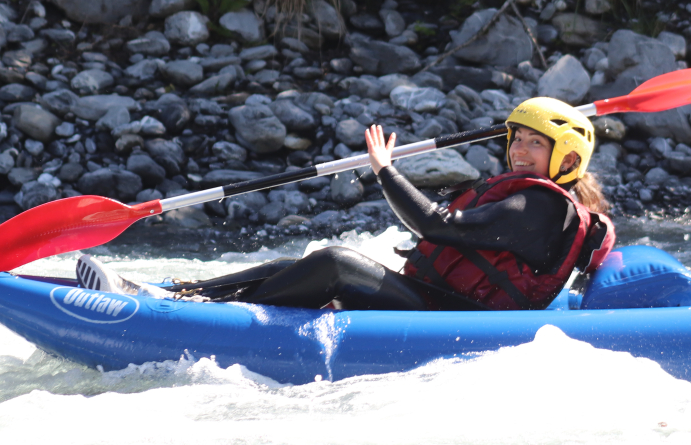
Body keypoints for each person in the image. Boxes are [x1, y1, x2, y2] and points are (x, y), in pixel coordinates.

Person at [76, 97, 615, 311]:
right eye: (516, 139)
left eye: (534, 143)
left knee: (335, 262)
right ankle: (170, 292)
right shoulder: (530, 199)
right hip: (441, 299)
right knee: (297, 265)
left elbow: (436, 224)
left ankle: (175, 311)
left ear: (564, 158)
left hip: (461, 319)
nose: (519, 150)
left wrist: (385, 169)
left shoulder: (545, 209)